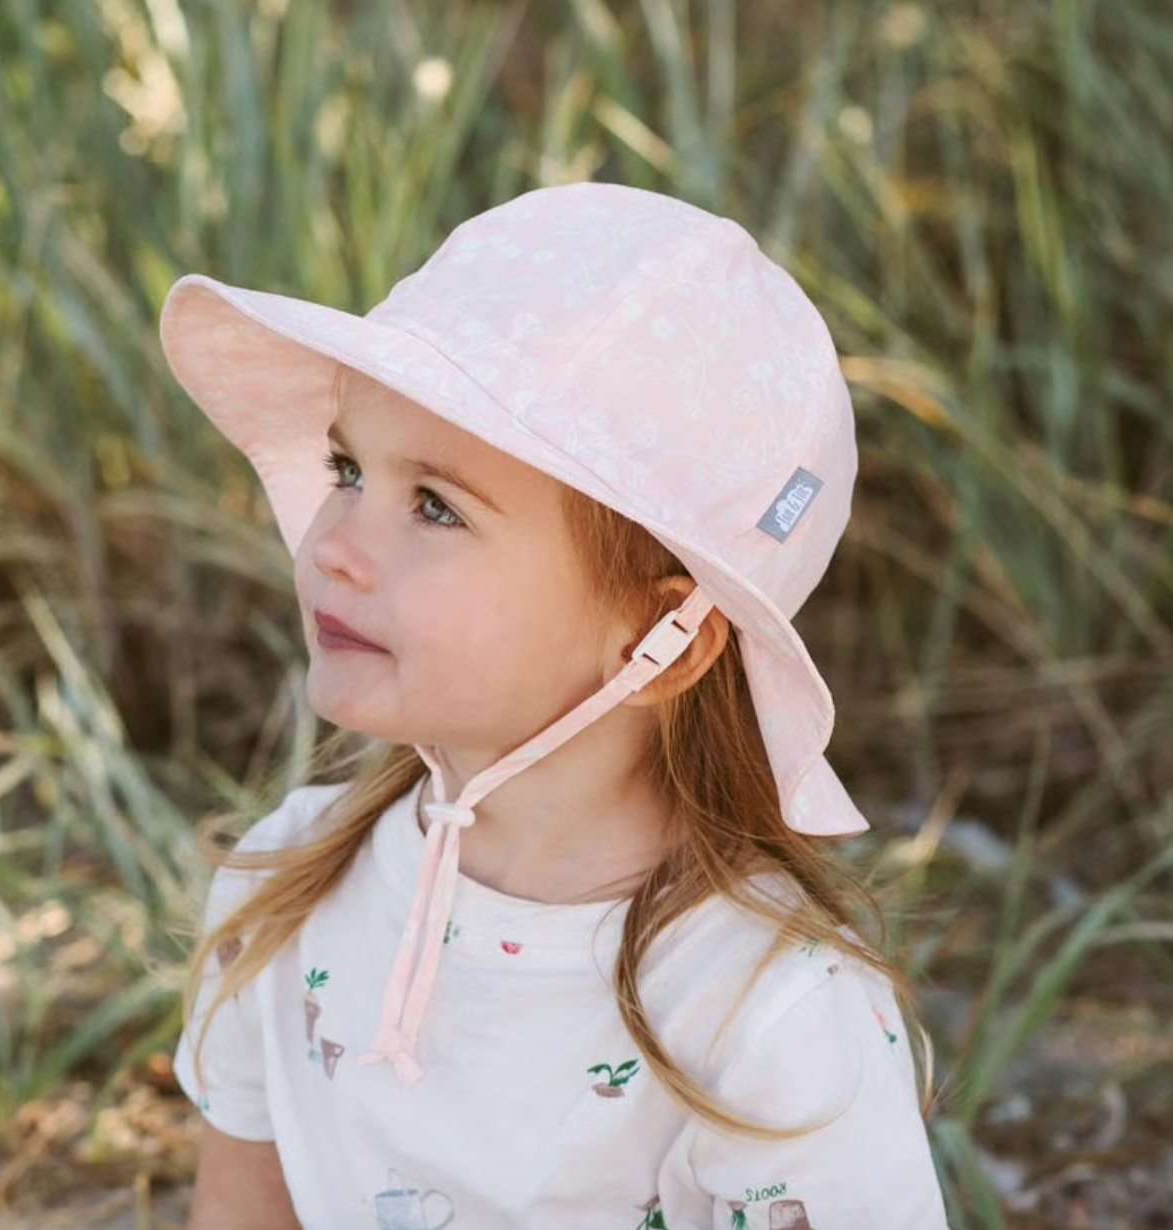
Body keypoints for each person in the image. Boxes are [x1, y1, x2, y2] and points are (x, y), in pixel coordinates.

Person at [161, 182, 950, 1230]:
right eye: (347, 469)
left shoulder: (763, 1011)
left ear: (659, 640)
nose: (333, 546)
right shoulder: (288, 893)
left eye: (434, 506)